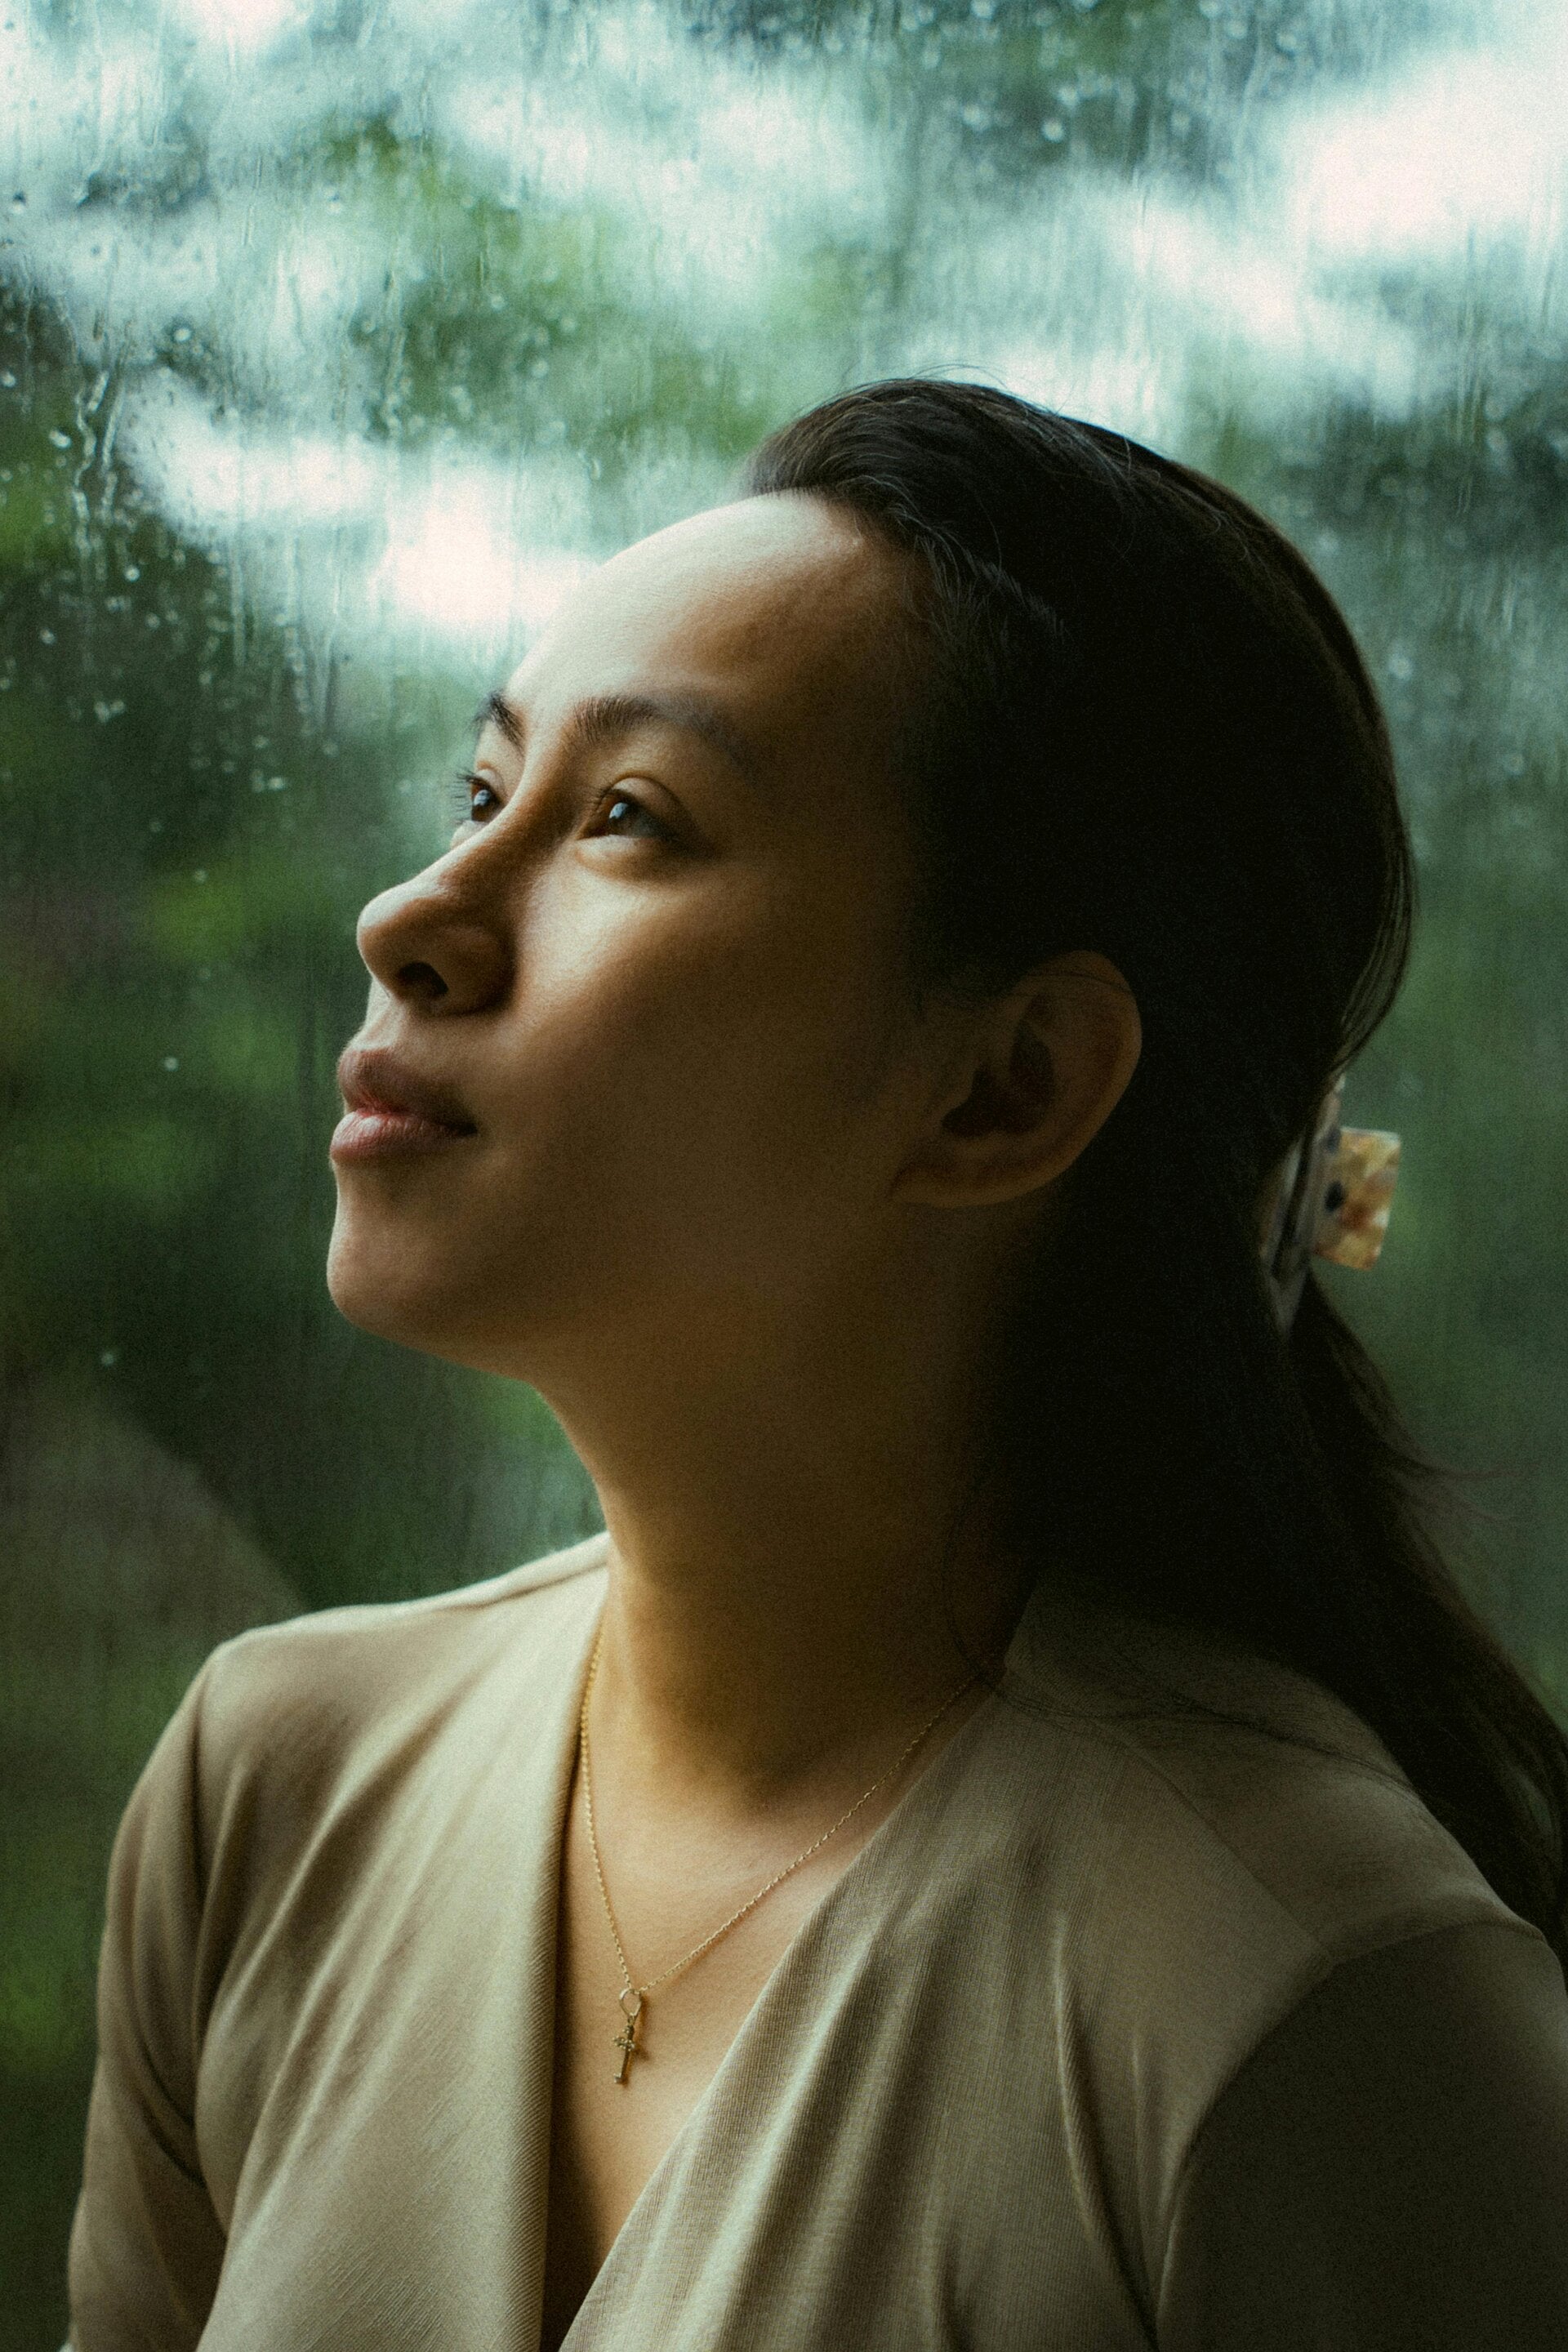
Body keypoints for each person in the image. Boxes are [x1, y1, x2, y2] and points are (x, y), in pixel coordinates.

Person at [67, 380, 1568, 2350]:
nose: (413, 920)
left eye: (627, 822)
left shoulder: (1311, 2007)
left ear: (1007, 1087)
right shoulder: (274, 1787)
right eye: (480, 795)